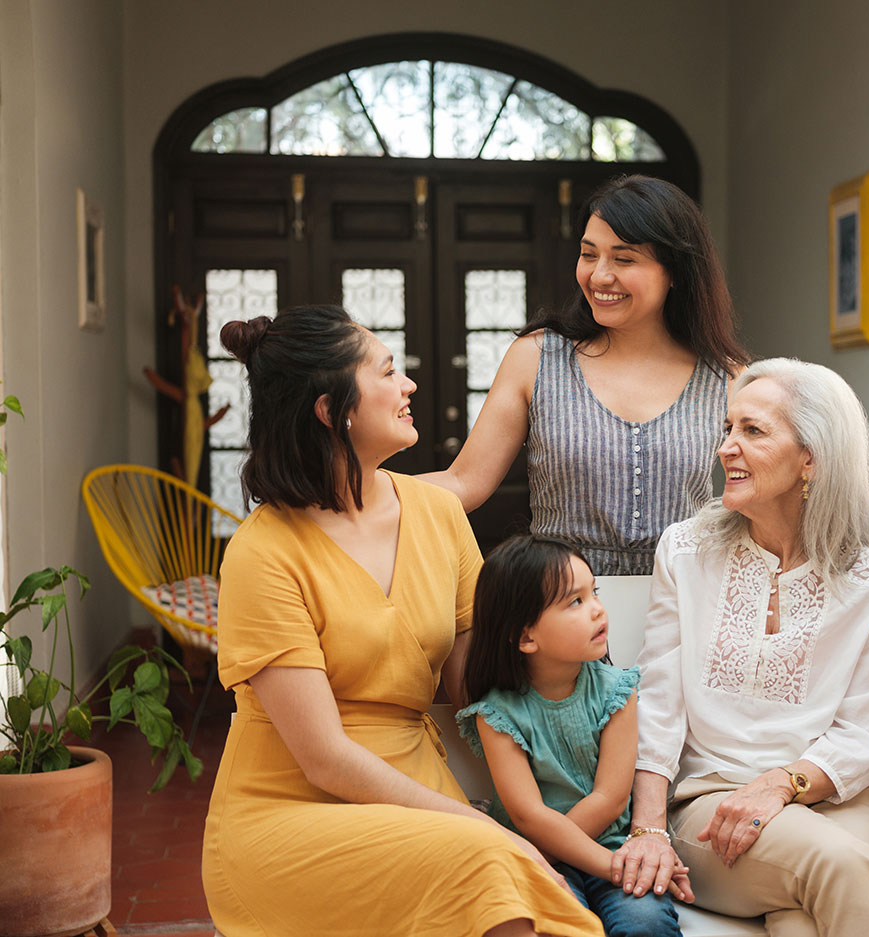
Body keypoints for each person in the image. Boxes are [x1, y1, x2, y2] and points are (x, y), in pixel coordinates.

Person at [200, 305, 603, 937]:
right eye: (388, 371)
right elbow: (326, 759)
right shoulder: (262, 553)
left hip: (415, 791)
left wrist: (578, 678)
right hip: (289, 816)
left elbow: (473, 684)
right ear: (333, 410)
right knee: (488, 862)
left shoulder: (437, 513)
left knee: (506, 884)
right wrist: (483, 825)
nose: (409, 384)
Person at [614, 358, 869, 937]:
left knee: (802, 920)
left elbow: (867, 734)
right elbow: (659, 701)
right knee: (841, 867)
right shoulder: (685, 552)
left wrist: (781, 786)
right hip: (713, 808)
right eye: (728, 429)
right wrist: (648, 826)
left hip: (848, 804)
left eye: (752, 431)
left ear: (812, 457)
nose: (727, 446)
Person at [424, 174, 748, 575]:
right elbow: (463, 482)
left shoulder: (728, 377)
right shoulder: (537, 356)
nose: (598, 276)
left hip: (680, 606)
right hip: (559, 605)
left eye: (624, 259)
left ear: (675, 271)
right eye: (589, 254)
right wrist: (356, 491)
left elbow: (766, 499)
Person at [456, 535, 685, 937]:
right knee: (558, 927)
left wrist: (615, 862)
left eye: (593, 592)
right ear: (526, 636)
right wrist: (610, 868)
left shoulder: (617, 689)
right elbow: (529, 815)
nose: (598, 609)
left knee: (646, 925)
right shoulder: (496, 715)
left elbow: (611, 796)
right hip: (539, 859)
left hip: (612, 844)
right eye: (575, 602)